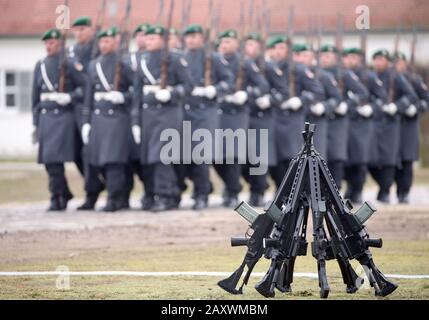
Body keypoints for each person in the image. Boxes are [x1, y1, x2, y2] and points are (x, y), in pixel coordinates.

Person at [131, 25, 194, 212]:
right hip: (148, 115)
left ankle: (165, 195)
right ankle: (166, 193)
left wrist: (172, 93)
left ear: (163, 40)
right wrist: (135, 120)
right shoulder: (142, 60)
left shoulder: (174, 59)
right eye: (147, 38)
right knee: (151, 158)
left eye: (153, 39)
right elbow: (137, 93)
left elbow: (188, 85)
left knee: (162, 157)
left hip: (168, 114)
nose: (148, 42)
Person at [31, 28, 90, 211]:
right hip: (46, 117)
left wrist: (70, 97)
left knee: (68, 156)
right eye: (46, 43)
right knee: (49, 161)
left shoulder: (69, 64)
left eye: (52, 43)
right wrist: (35, 122)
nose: (48, 46)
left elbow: (85, 87)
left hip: (64, 116)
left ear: (60, 44)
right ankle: (58, 193)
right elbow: (35, 96)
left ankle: (86, 190)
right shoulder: (40, 65)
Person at [214, 29, 269, 207]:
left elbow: (262, 86)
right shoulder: (214, 61)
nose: (224, 45)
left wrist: (246, 94)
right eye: (222, 42)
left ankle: (233, 192)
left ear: (237, 45)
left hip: (237, 113)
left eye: (228, 42)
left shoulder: (244, 63)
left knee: (233, 155)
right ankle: (232, 185)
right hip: (218, 112)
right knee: (216, 156)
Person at [181, 24, 234, 209]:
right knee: (184, 155)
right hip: (186, 110)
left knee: (201, 155)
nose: (190, 40)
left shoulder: (213, 58)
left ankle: (201, 194)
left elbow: (228, 81)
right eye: (188, 36)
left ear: (202, 39)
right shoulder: (182, 57)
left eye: (194, 36)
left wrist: (214, 89)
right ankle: (202, 187)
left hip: (206, 111)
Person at [82, 27, 135, 212]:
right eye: (102, 41)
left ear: (116, 42)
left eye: (108, 41)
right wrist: (86, 121)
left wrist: (123, 97)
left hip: (116, 118)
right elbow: (89, 94)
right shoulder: (93, 64)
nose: (104, 45)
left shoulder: (124, 64)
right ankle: (101, 195)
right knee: (96, 161)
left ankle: (115, 198)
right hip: (98, 118)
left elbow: (135, 91)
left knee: (114, 161)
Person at [267, 36, 324, 188]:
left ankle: (293, 192)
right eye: (276, 48)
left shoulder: (298, 69)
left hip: (293, 118)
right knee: (275, 159)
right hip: (274, 117)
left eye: (282, 48)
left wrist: (300, 99)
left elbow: (317, 91)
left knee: (291, 157)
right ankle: (281, 191)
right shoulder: (269, 68)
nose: (278, 52)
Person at [242, 32, 286, 206]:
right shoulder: (241, 65)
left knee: (259, 157)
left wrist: (269, 99)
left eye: (252, 45)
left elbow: (283, 92)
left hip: (263, 117)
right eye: (246, 45)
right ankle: (257, 186)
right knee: (244, 158)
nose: (248, 49)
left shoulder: (267, 67)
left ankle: (258, 191)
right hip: (244, 115)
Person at [369, 49, 418, 203]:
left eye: (381, 59)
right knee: (371, 160)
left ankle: (398, 191)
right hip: (376, 122)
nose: (378, 62)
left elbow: (412, 96)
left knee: (396, 160)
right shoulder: (371, 77)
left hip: (393, 124)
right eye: (376, 59)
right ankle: (384, 188)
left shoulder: (396, 77)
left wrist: (398, 106)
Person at [69, 16, 106, 210]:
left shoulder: (99, 49)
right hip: (75, 108)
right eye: (76, 30)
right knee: (76, 151)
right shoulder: (72, 51)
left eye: (82, 29)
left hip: (95, 107)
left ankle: (94, 193)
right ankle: (94, 186)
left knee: (92, 152)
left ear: (91, 30)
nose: (78, 34)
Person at [121, 23, 151, 209]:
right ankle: (125, 194)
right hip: (126, 113)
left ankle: (149, 192)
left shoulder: (155, 59)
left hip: (146, 111)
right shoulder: (126, 59)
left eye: (145, 35)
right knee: (129, 158)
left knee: (146, 158)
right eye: (138, 35)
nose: (142, 39)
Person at [394, 52, 428, 203]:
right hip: (393, 124)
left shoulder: (414, 80)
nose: (397, 65)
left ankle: (404, 192)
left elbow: (425, 99)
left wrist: (417, 108)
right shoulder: (389, 79)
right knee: (392, 159)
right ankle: (392, 190)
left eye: (399, 62)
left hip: (409, 125)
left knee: (407, 159)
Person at [341, 48, 371, 204]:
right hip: (344, 121)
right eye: (348, 57)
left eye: (354, 57)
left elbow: (376, 96)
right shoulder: (341, 75)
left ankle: (357, 190)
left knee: (359, 159)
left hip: (361, 123)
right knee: (344, 160)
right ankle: (348, 189)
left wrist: (372, 107)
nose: (350, 60)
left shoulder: (368, 77)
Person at [293, 43, 331, 159]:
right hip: (296, 118)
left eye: (308, 56)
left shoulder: (323, 75)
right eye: (303, 55)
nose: (305, 59)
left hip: (314, 119)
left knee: (315, 159)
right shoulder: (293, 73)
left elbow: (330, 96)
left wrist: (325, 106)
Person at [320, 44, 349, 188]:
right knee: (321, 158)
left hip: (337, 121)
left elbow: (362, 93)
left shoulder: (344, 75)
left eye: (329, 57)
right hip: (320, 119)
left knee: (336, 157)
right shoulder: (316, 74)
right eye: (323, 56)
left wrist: (348, 104)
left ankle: (336, 190)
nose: (325, 59)